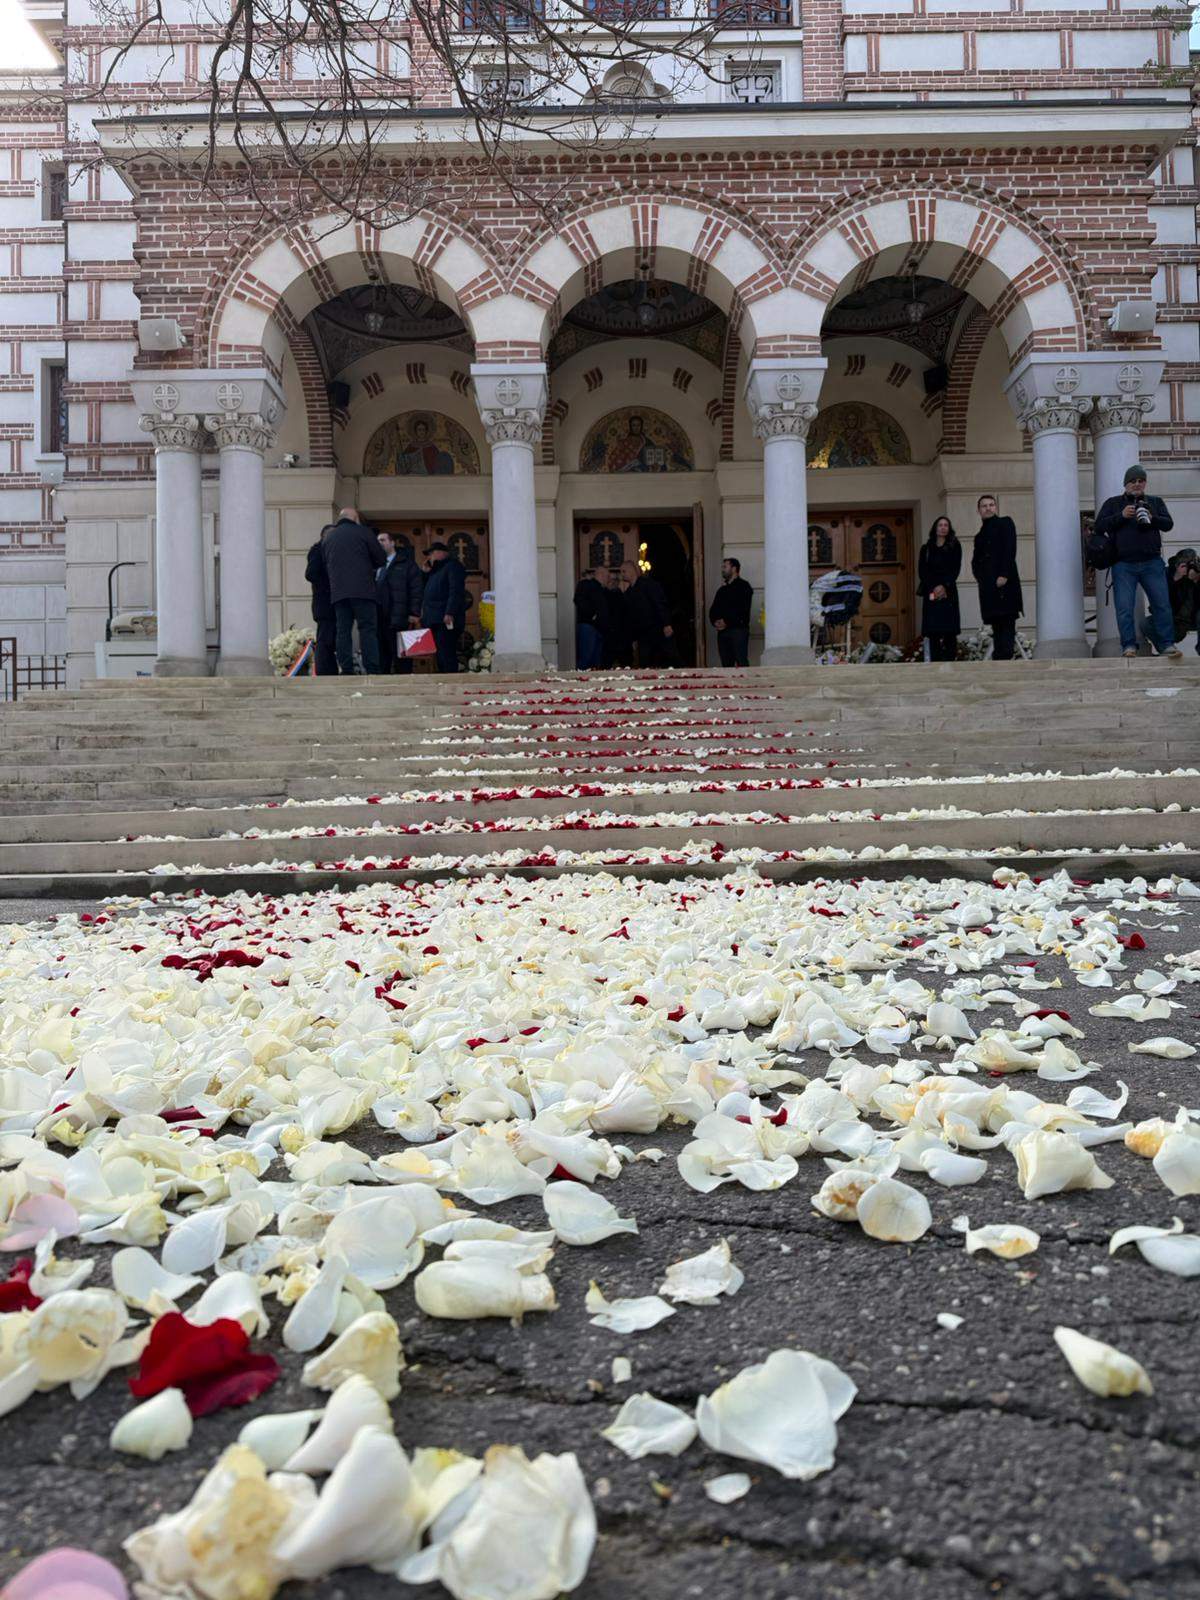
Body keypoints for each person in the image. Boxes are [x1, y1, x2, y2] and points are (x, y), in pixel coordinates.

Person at [1094, 465, 1183, 659]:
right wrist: (1121, 516)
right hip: (1123, 564)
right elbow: (1099, 526)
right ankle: (1128, 646)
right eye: (1133, 481)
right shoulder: (1114, 503)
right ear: (1125, 484)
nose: (1137, 484)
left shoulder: (1155, 501)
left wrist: (1152, 517)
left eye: (1141, 481)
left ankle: (1167, 644)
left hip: (1152, 562)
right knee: (1124, 608)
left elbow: (1168, 524)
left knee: (1162, 605)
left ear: (1145, 483)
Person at [322, 507, 385, 675]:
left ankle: (346, 669)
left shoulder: (329, 538)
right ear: (355, 518)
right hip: (363, 590)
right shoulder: (363, 532)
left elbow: (326, 564)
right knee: (367, 629)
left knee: (343, 630)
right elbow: (380, 558)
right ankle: (372, 668)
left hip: (339, 593)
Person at [971, 494, 1023, 660]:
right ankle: (999, 660)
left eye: (991, 505)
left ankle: (1004, 660)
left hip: (1005, 584)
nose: (988, 508)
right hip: (988, 586)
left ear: (995, 507)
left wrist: (1004, 574)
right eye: (984, 506)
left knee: (1007, 622)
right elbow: (975, 561)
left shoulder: (1005, 523)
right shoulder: (979, 536)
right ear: (979, 510)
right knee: (996, 624)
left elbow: (1010, 549)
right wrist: (981, 578)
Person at [376, 531, 424, 675]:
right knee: (382, 658)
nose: (379, 543)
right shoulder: (375, 564)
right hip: (379, 618)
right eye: (377, 541)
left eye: (383, 540)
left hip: (400, 618)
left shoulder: (407, 564)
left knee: (402, 658)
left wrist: (414, 613)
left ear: (392, 543)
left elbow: (416, 589)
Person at [918, 516, 962, 662]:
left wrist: (944, 586)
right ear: (935, 528)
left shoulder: (955, 546)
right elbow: (922, 571)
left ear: (949, 529)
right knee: (933, 629)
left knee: (949, 629)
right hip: (931, 592)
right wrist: (934, 587)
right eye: (940, 525)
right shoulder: (926, 548)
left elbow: (955, 568)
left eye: (946, 525)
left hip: (949, 592)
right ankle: (935, 661)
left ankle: (950, 660)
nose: (943, 528)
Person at [421, 540, 467, 673]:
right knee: (440, 654)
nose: (429, 557)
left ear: (442, 553)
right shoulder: (435, 571)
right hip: (434, 619)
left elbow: (455, 591)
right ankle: (444, 679)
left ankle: (450, 680)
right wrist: (425, 573)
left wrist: (450, 612)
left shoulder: (452, 566)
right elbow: (426, 592)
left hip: (445, 619)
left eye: (431, 553)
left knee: (447, 653)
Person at [623, 560, 676, 667]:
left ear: (631, 571)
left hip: (657, 629)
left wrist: (666, 623)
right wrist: (633, 637)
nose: (622, 574)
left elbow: (659, 603)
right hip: (642, 634)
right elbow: (631, 617)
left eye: (624, 571)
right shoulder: (628, 593)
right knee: (645, 662)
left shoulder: (648, 585)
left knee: (666, 658)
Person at [304, 524, 337, 676]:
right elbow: (310, 574)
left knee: (332, 639)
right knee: (325, 639)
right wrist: (329, 585)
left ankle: (331, 669)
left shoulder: (330, 550)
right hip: (324, 603)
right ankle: (324, 671)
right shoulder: (318, 550)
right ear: (324, 536)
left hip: (333, 603)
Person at [709, 556, 753, 667]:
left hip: (738, 631)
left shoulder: (744, 586)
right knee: (726, 666)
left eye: (725, 567)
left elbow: (743, 610)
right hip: (723, 633)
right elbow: (713, 609)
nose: (722, 569)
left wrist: (726, 621)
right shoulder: (722, 590)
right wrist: (715, 621)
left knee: (741, 662)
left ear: (734, 569)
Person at [574, 566, 609, 671]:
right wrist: (592, 615)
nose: (608, 580)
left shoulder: (603, 590)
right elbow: (578, 599)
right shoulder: (586, 584)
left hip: (599, 630)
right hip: (588, 627)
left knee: (595, 663)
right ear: (601, 575)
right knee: (585, 660)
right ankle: (579, 680)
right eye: (607, 576)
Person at [1168, 547, 1199, 654]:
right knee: (1146, 624)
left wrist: (1196, 580)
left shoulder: (1198, 571)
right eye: (1185, 565)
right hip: (1176, 617)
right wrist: (1176, 580)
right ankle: (1166, 650)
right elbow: (1163, 601)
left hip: (1194, 617)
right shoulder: (1169, 573)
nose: (1188, 568)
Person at [605, 567, 634, 668]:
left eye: (615, 580)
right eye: (611, 580)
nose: (613, 582)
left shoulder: (624, 596)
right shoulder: (605, 596)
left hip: (621, 639)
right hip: (612, 639)